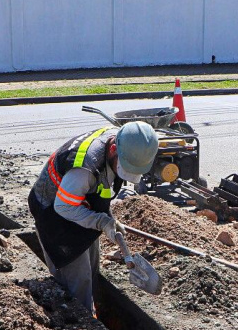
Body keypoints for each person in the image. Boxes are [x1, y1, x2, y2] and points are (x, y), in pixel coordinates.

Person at [28, 122, 158, 311]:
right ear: (113, 149)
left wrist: (108, 219)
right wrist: (101, 221)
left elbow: (102, 187)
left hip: (79, 203)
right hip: (53, 214)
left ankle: (94, 314)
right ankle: (79, 322)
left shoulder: (125, 144)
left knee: (92, 269)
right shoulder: (85, 168)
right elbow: (64, 206)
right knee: (77, 282)